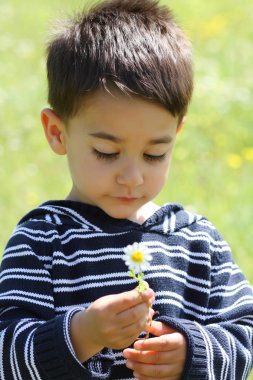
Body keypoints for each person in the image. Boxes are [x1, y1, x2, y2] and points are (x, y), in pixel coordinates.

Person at [0, 0, 253, 379]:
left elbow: (244, 336)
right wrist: (80, 335)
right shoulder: (42, 240)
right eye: (107, 152)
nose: (132, 177)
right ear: (57, 132)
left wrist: (192, 353)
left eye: (155, 153)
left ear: (176, 135)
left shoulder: (198, 241)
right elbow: (7, 355)